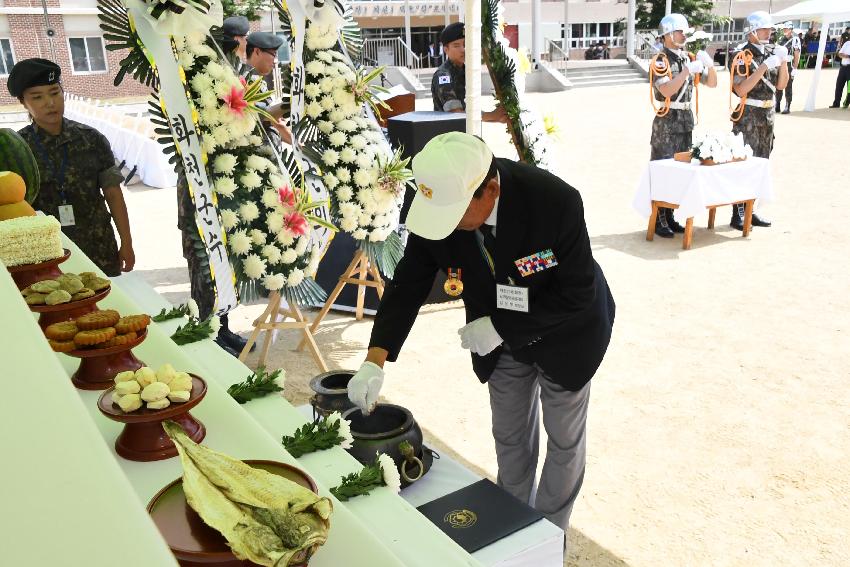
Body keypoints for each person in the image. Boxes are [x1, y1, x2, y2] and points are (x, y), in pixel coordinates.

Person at [345, 132, 615, 540]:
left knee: (564, 442)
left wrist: (501, 327)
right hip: (499, 339)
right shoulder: (442, 208)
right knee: (509, 437)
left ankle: (545, 541)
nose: (445, 225)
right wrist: (373, 360)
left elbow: (577, 293)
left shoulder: (554, 202)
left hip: (566, 336)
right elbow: (408, 285)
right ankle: (513, 530)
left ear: (489, 190)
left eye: (454, 213)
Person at [7, 58, 135, 276]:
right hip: (48, 254)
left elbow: (113, 194)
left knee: (109, 307)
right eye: (37, 97)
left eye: (55, 92)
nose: (50, 102)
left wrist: (127, 242)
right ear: (23, 102)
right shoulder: (17, 149)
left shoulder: (92, 139)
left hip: (98, 247)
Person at [648, 14, 718, 238]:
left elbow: (712, 83)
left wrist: (709, 64)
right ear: (668, 35)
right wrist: (687, 71)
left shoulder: (687, 57)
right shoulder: (661, 60)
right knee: (663, 172)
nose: (684, 35)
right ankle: (659, 220)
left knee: (680, 173)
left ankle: (670, 217)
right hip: (667, 123)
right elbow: (666, 90)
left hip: (685, 121)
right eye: (680, 32)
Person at [729, 11, 789, 230]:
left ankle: (751, 209)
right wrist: (764, 66)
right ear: (752, 31)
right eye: (764, 29)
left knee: (761, 165)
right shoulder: (740, 54)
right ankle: (738, 213)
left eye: (770, 29)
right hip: (748, 118)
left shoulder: (772, 51)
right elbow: (741, 88)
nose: (769, 33)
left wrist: (783, 62)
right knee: (743, 166)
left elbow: (781, 86)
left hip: (767, 117)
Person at [431, 22, 507, 123]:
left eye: (465, 44)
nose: (463, 49)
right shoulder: (443, 75)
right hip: (448, 136)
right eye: (456, 45)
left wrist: (496, 118)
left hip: (463, 133)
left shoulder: (465, 71)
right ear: (446, 50)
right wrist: (491, 116)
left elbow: (469, 111)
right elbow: (456, 114)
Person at [245, 31, 292, 146]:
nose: (275, 60)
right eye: (273, 54)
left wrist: (302, 149)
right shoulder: (244, 80)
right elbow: (263, 115)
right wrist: (293, 102)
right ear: (257, 51)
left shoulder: (259, 80)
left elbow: (277, 123)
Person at [775, 23, 801, 114]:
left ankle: (787, 105)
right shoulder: (782, 39)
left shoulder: (795, 39)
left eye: (786, 28)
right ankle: (777, 103)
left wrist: (795, 68)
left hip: (789, 63)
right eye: (784, 28)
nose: (784, 30)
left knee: (788, 85)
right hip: (780, 63)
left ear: (791, 29)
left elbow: (796, 54)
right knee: (778, 83)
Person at [830, 38, 850, 108]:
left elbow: (843, 55)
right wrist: (847, 56)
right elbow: (840, 54)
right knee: (839, 85)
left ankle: (847, 103)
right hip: (843, 67)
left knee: (849, 88)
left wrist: (845, 56)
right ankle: (836, 103)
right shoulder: (847, 43)